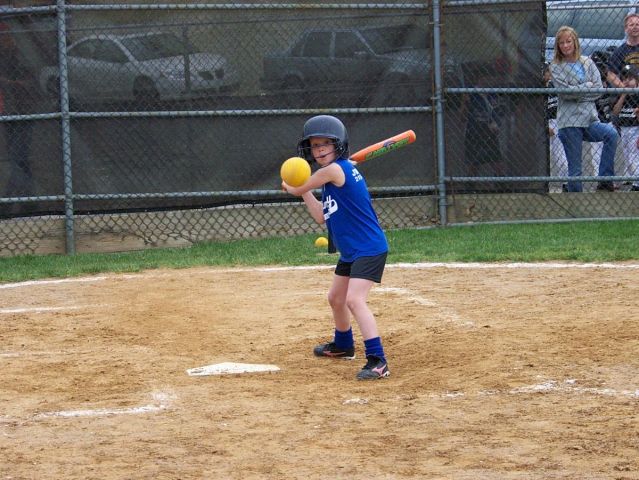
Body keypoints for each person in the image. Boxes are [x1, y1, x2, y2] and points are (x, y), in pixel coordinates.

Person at [281, 115, 390, 381]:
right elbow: (321, 216)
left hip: (369, 248)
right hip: (352, 251)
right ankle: (343, 345)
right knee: (336, 298)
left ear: (338, 145)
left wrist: (293, 186)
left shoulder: (333, 171)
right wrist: (304, 190)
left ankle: (378, 361)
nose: (319, 150)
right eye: (314, 145)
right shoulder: (333, 176)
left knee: (354, 299)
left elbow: (297, 187)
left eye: (325, 144)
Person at [549, 26, 618, 192]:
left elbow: (599, 89)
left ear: (575, 42)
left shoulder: (587, 62)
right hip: (570, 122)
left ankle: (604, 180)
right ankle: (575, 200)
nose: (565, 45)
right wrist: (587, 87)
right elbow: (565, 93)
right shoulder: (556, 66)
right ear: (557, 46)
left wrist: (578, 91)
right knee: (576, 169)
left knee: (611, 134)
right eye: (561, 43)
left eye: (568, 41)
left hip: (589, 119)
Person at [0, 22, 35, 203]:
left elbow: (30, 81)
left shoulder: (20, 55)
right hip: (9, 113)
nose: (4, 39)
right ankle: (27, 197)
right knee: (17, 156)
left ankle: (14, 197)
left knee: (18, 156)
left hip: (24, 112)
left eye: (6, 36)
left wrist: (10, 83)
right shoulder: (3, 56)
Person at [612, 64, 639, 191]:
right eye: (624, 79)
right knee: (627, 155)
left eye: (630, 78)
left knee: (634, 155)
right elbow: (615, 112)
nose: (627, 81)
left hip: (635, 129)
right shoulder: (622, 93)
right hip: (624, 129)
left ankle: (637, 184)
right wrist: (623, 96)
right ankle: (632, 177)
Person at [544, 62, 568, 192]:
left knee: (559, 154)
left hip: (557, 121)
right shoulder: (540, 89)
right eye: (547, 72)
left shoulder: (554, 85)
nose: (549, 74)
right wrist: (545, 125)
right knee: (552, 154)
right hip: (547, 122)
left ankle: (566, 182)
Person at [607, 13, 639, 88]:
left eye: (637, 24)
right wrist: (623, 88)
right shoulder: (620, 51)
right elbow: (611, 74)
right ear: (625, 29)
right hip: (629, 89)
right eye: (631, 25)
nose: (635, 27)